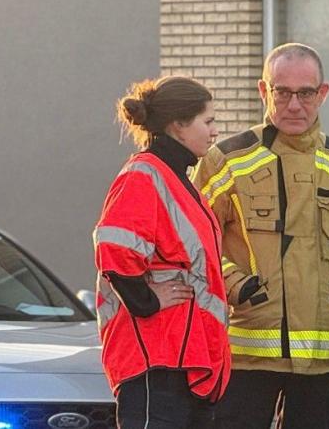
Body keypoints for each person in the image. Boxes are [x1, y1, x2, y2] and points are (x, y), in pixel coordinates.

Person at [193, 42, 329, 429]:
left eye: (306, 93)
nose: (294, 104)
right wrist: (237, 286)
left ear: (323, 93)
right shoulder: (226, 162)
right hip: (246, 351)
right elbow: (196, 242)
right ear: (264, 91)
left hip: (322, 356)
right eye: (282, 92)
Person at [93, 76, 230, 429]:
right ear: (178, 125)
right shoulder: (144, 175)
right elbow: (115, 247)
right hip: (157, 360)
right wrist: (146, 300)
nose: (214, 131)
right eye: (208, 121)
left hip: (184, 359)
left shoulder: (173, 178)